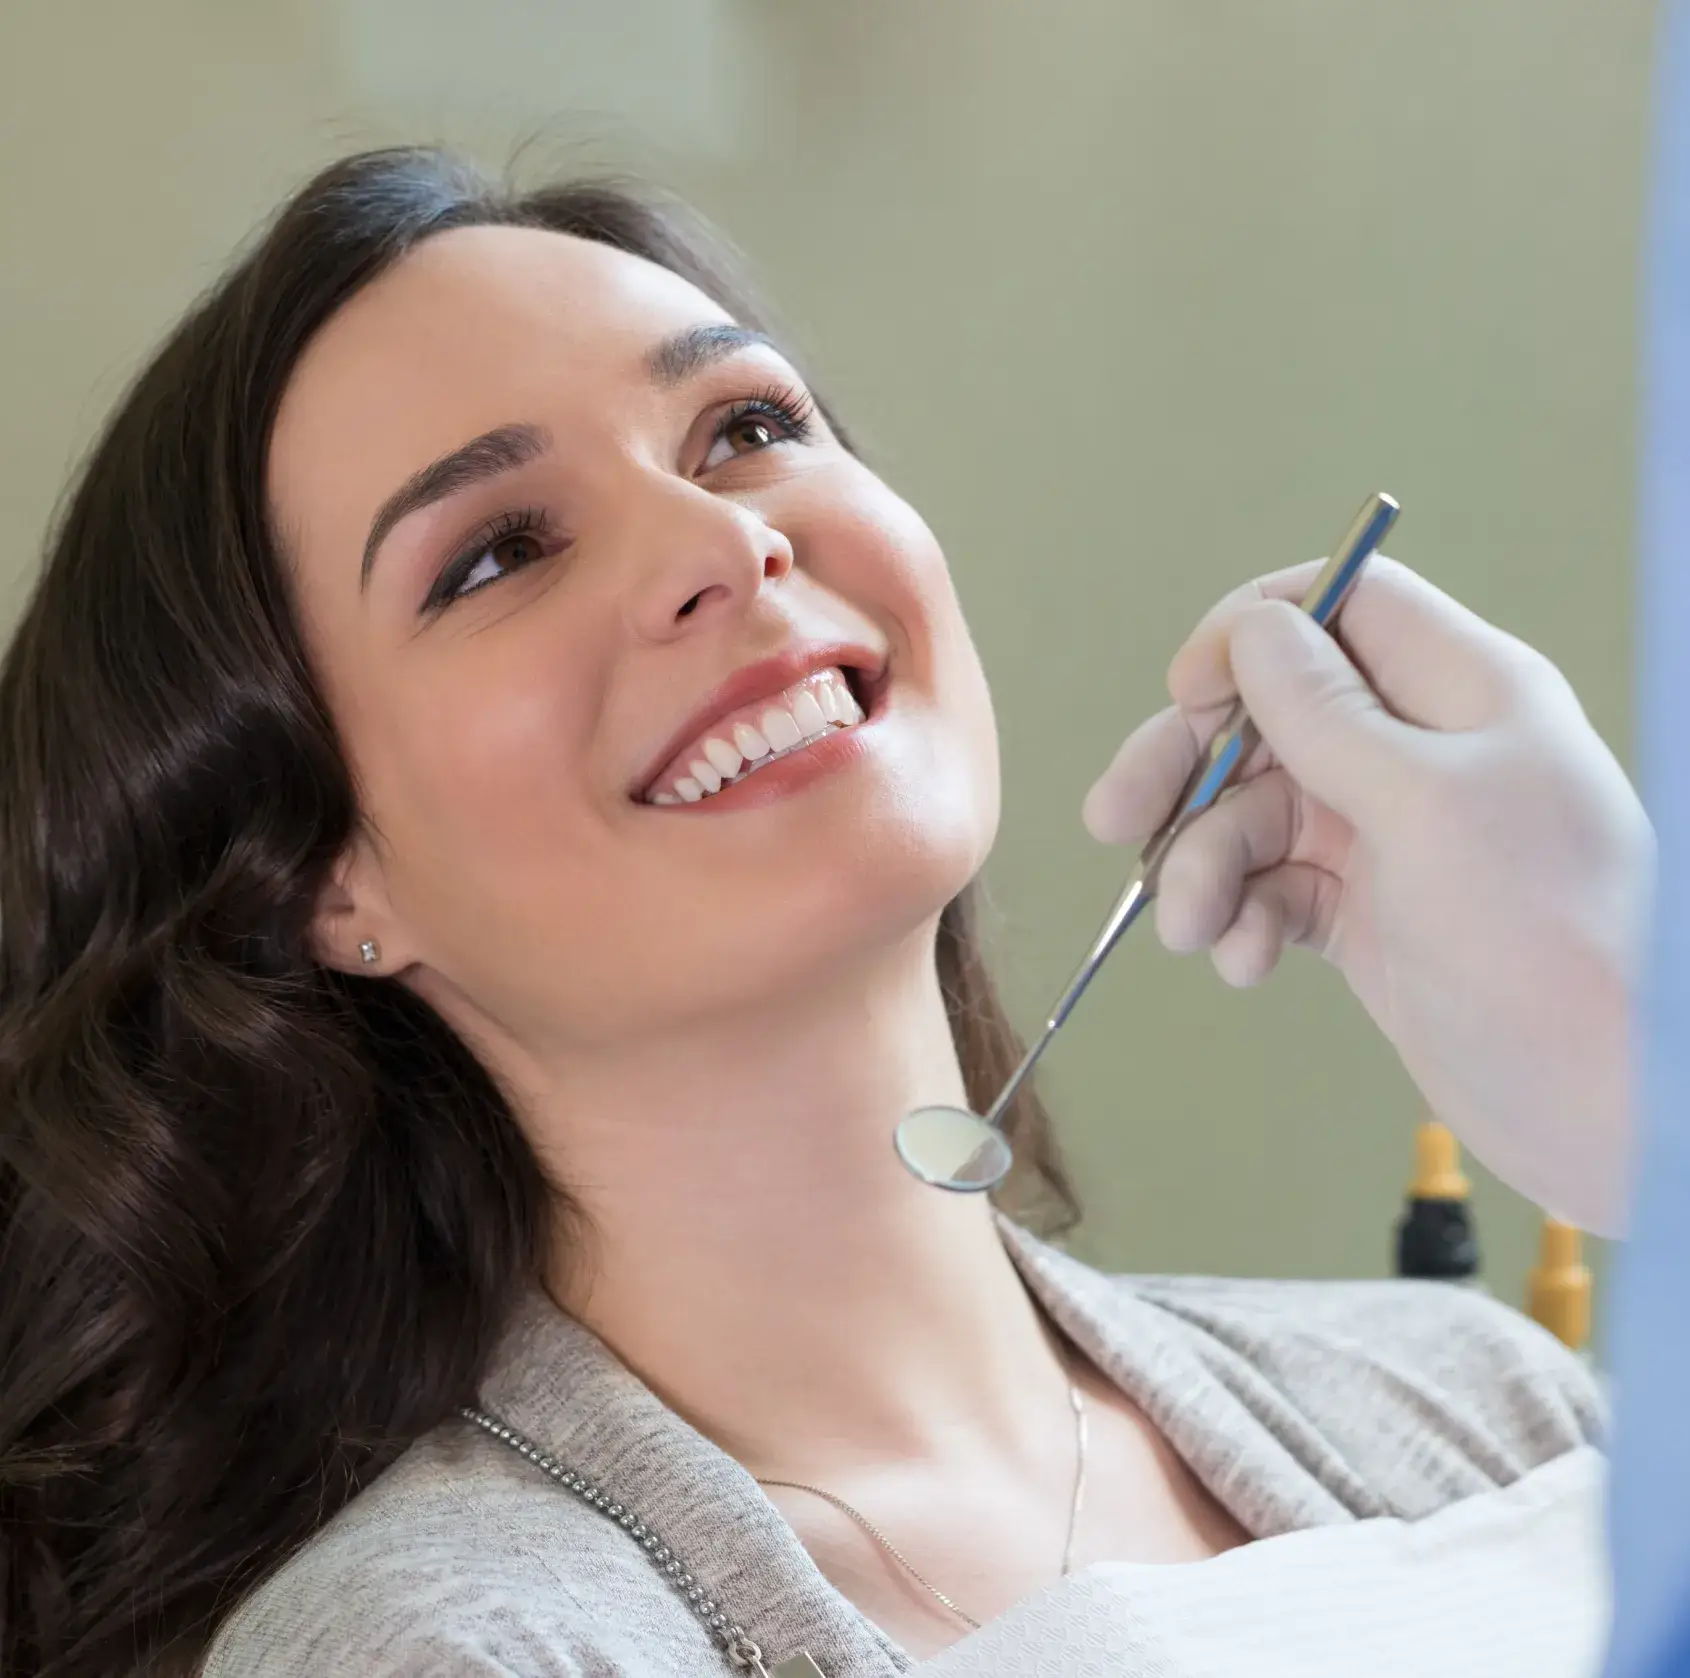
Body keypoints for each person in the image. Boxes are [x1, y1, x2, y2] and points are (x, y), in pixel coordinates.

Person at [0, 147, 1645, 1678]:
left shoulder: (1484, 1403)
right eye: (498, 552)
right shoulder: (455, 1647)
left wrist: (1644, 1090)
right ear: (322, 882)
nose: (722, 537)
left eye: (745, 428)